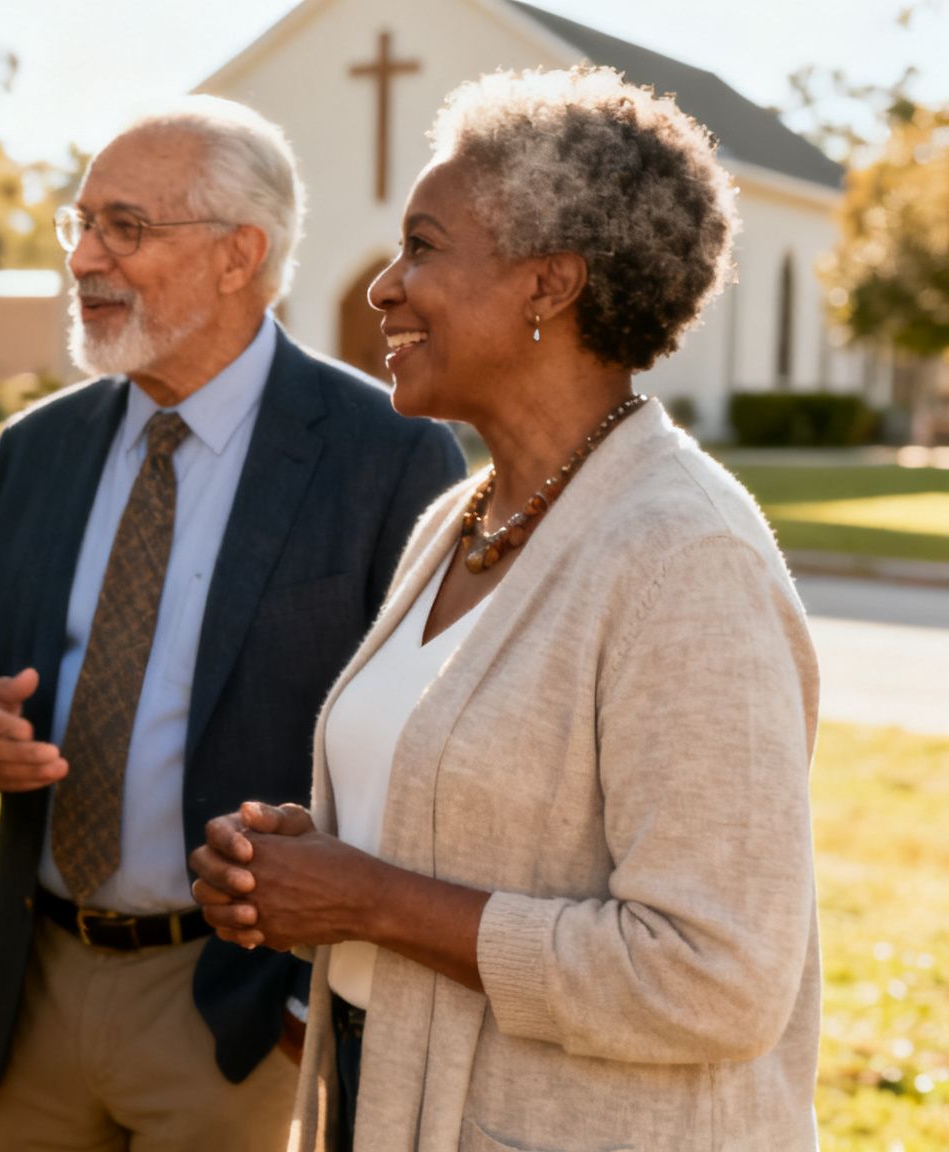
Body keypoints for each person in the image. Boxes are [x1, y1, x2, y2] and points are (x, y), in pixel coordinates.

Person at [190, 68, 820, 1152]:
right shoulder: (460, 519)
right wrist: (298, 866)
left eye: (422, 247)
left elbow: (715, 979)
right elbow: (455, 827)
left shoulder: (684, 558)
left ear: (548, 285)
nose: (382, 287)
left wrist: (368, 901)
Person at [0, 97, 464, 1151]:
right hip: (35, 987)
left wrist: (313, 997)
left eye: (124, 228)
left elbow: (418, 749)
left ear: (237, 256)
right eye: (77, 224)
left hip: (238, 1009)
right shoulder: (35, 448)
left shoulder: (385, 456)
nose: (82, 258)